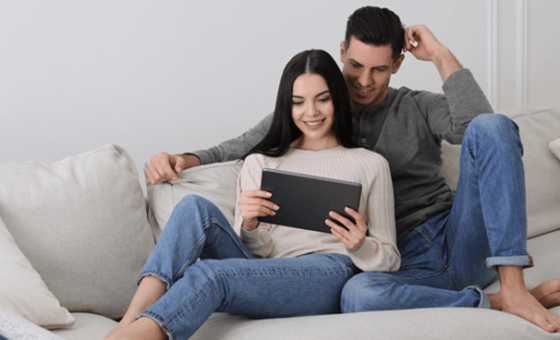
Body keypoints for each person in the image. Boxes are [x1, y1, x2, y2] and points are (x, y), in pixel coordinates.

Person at [145, 6, 560, 332]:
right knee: (358, 296)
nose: (364, 80)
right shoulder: (317, 106)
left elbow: (478, 131)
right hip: (394, 259)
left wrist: (439, 54)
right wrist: (187, 159)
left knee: (493, 125)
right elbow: (251, 141)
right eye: (356, 66)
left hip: (455, 236)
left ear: (397, 64)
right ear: (341, 52)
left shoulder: (416, 104)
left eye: (379, 69)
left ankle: (514, 288)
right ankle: (490, 303)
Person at [106, 49, 399, 340]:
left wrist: (360, 245)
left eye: (322, 99)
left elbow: (391, 258)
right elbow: (256, 255)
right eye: (298, 102)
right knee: (192, 207)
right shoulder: (261, 162)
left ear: (337, 97)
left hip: (328, 272)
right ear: (287, 106)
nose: (311, 113)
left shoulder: (369, 164)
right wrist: (249, 224)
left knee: (210, 274)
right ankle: (128, 324)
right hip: (265, 273)